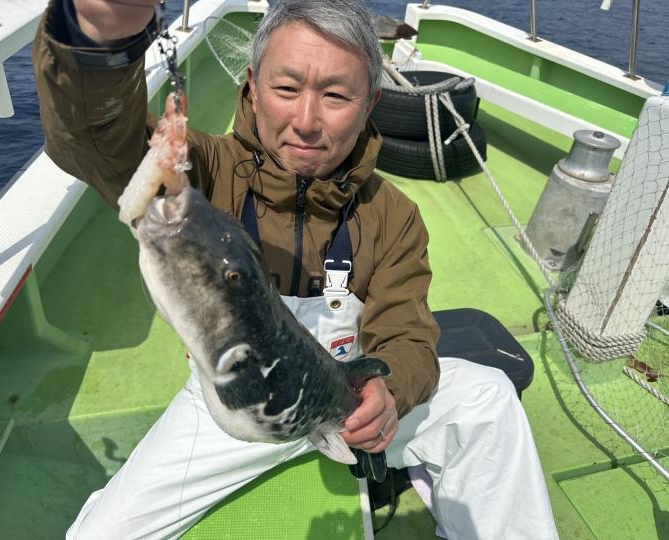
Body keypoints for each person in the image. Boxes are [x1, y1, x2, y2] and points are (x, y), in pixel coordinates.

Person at [33, 0, 559, 538]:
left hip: (344, 401)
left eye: (335, 95)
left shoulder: (394, 216)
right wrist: (95, 39)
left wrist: (387, 395)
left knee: (488, 398)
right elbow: (97, 139)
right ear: (253, 85)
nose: (306, 122)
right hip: (230, 409)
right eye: (286, 89)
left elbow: (407, 335)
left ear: (370, 103)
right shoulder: (202, 169)